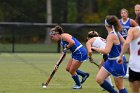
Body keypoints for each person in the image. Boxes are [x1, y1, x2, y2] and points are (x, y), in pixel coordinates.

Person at [92, 15, 128, 93]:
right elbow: (125, 43)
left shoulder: (112, 35)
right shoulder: (115, 33)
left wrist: (95, 48)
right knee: (99, 79)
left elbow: (106, 51)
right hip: (110, 61)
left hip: (117, 62)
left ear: (106, 24)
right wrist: (109, 43)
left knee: (120, 86)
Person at [118, 15, 140, 93]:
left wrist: (120, 56)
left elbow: (127, 43)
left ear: (136, 21)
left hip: (135, 66)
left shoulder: (132, 30)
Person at [119, 8, 138, 79]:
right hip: (121, 42)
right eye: (122, 13)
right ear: (120, 14)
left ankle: (128, 72)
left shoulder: (131, 21)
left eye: (125, 13)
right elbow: (115, 31)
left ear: (127, 14)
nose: (123, 14)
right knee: (120, 56)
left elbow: (138, 28)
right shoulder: (119, 22)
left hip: (129, 42)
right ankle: (122, 71)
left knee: (132, 56)